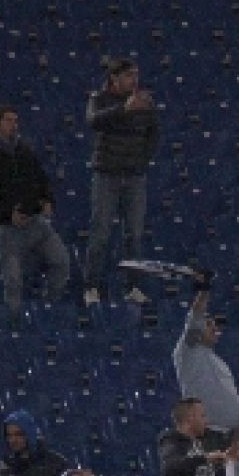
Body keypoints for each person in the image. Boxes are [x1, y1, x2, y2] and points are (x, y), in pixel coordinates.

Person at [0, 105, 71, 319]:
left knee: (61, 262)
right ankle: (14, 325)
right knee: (13, 281)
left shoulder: (24, 150)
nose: (14, 125)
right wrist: (6, 214)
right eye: (8, 120)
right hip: (9, 228)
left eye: (15, 120)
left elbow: (42, 178)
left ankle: (47, 311)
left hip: (36, 222)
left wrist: (47, 200)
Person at [82, 57, 160, 305]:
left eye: (136, 74)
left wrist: (143, 160)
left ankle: (133, 286)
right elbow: (94, 121)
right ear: (114, 78)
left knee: (134, 235)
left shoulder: (146, 102)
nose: (134, 80)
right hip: (107, 174)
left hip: (134, 175)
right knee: (100, 233)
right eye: (128, 75)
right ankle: (91, 286)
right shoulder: (99, 98)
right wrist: (124, 109)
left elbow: (154, 133)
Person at [171, 273, 239, 430]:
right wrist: (204, 290)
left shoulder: (219, 362)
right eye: (209, 325)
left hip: (227, 434)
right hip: (205, 433)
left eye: (216, 326)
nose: (215, 329)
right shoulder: (188, 352)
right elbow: (195, 317)